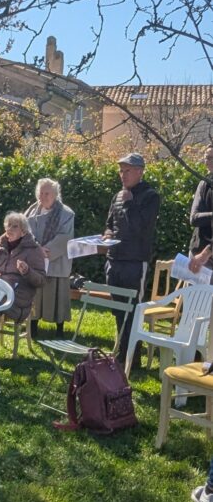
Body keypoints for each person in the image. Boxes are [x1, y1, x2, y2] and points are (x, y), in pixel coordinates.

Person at [102, 152, 160, 362]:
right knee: (118, 309)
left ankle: (132, 357)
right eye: (121, 170)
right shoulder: (118, 196)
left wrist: (129, 204)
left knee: (133, 308)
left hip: (135, 262)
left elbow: (142, 228)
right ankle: (123, 351)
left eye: (127, 170)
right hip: (114, 259)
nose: (123, 175)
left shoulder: (150, 196)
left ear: (139, 172)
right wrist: (107, 234)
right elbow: (110, 223)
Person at [24, 178, 75, 338]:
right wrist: (36, 249)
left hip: (56, 260)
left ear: (55, 195)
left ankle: (59, 330)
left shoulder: (66, 213)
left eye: (47, 193)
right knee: (36, 294)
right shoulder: (31, 211)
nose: (43, 196)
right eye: (41, 193)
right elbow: (25, 232)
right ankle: (33, 327)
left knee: (57, 294)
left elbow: (65, 237)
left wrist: (47, 251)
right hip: (35, 260)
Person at [0, 212, 46, 333]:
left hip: (18, 298)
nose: (10, 229)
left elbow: (41, 281)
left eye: (15, 226)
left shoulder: (33, 249)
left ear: (23, 231)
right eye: (8, 225)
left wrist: (27, 271)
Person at [188, 144, 213, 255]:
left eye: (211, 158)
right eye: (206, 157)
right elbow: (194, 218)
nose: (208, 161)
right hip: (199, 249)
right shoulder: (204, 184)